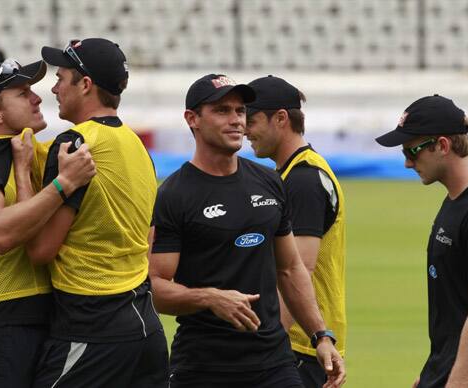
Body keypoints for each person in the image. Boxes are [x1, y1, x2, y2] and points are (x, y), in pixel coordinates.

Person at [149, 73, 345, 388]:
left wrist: (320, 334)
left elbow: (292, 269)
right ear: (192, 119)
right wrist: (209, 297)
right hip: (203, 368)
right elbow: (156, 287)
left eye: (240, 111)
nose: (236, 120)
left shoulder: (269, 182)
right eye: (222, 111)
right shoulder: (174, 194)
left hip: (274, 366)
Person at [25, 38, 168, 387]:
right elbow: (149, 235)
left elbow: (40, 250)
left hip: (92, 325)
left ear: (85, 85)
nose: (54, 88)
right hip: (146, 325)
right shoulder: (138, 147)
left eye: (61, 78)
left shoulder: (74, 145)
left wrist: (20, 170)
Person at [0, 59, 96, 387]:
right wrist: (62, 185)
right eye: (22, 92)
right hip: (2, 320)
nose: (37, 98)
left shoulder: (39, 154)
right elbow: (0, 233)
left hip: (62, 316)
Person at [375, 95, 468, 387]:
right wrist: (433, 372)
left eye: (412, 151)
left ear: (443, 145)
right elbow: (454, 311)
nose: (408, 163)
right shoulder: (458, 201)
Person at [244, 75, 347, 387]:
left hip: (299, 346)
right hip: (302, 343)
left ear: (280, 118)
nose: (244, 128)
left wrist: (267, 348)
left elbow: (298, 269)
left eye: (251, 119)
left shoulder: (302, 180)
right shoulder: (293, 172)